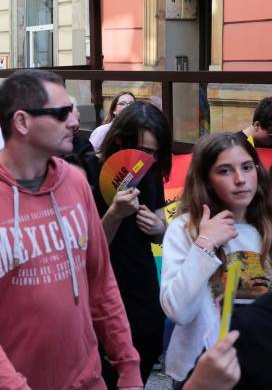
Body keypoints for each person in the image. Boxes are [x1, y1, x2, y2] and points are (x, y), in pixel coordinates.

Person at [0, 69, 142, 390]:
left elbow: (101, 280)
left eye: (73, 111)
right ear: (22, 122)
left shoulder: (75, 181)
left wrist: (128, 364)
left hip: (87, 379)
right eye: (62, 113)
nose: (74, 122)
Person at [160, 132, 272, 384]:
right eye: (224, 171)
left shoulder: (266, 228)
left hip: (256, 367)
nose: (240, 180)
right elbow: (177, 310)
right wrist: (205, 245)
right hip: (199, 372)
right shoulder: (185, 229)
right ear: (206, 179)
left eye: (247, 167)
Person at [90, 101, 171, 385]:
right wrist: (114, 214)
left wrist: (159, 227)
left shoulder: (149, 173)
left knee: (147, 344)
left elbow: (163, 232)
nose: (150, 158)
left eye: (156, 153)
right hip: (102, 282)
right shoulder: (88, 170)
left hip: (142, 280)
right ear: (122, 140)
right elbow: (90, 249)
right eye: (146, 150)